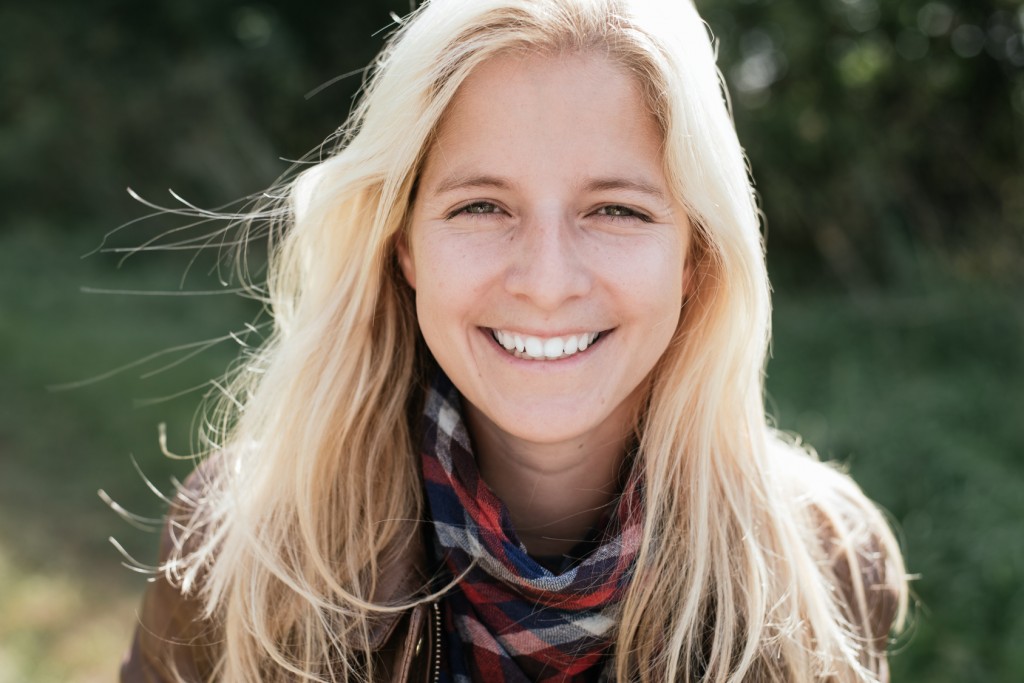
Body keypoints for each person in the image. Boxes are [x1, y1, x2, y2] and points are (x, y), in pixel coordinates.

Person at [120, 0, 908, 681]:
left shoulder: (829, 561)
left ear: (694, 258)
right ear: (404, 245)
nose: (546, 280)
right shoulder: (235, 544)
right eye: (481, 207)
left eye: (616, 210)